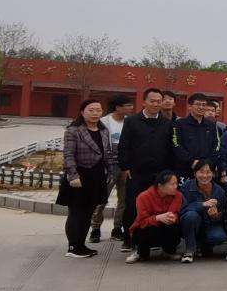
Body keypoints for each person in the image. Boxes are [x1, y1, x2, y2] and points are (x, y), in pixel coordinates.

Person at [59, 99, 117, 258]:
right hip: (79, 175)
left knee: (88, 212)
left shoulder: (103, 130)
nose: (95, 113)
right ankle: (73, 247)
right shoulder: (73, 130)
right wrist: (73, 175)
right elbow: (68, 155)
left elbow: (107, 154)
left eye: (98, 110)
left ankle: (81, 245)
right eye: (91, 110)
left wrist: (110, 172)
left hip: (96, 176)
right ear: (82, 112)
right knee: (76, 212)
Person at [118, 88, 173, 249]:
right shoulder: (132, 121)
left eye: (158, 101)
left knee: (157, 206)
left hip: (159, 173)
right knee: (132, 205)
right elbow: (124, 145)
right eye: (152, 101)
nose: (156, 104)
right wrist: (125, 166)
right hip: (136, 172)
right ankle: (129, 238)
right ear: (144, 102)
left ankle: (153, 239)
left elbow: (170, 148)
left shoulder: (166, 123)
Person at [90, 93, 134, 245]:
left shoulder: (131, 122)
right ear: (117, 107)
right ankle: (95, 228)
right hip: (108, 166)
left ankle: (117, 228)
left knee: (124, 199)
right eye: (128, 105)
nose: (131, 108)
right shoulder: (103, 122)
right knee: (101, 198)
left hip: (126, 166)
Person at [126, 170, 183, 263]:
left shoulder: (178, 195)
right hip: (146, 228)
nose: (176, 187)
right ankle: (141, 253)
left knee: (174, 226)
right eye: (172, 184)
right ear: (160, 186)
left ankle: (169, 251)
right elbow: (142, 221)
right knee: (143, 231)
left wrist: (174, 217)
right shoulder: (143, 197)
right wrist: (157, 218)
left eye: (176, 183)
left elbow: (173, 213)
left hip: (165, 226)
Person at [179, 160, 227, 262]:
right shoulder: (186, 187)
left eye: (208, 172)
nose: (204, 176)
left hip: (210, 224)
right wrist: (202, 204)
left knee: (219, 237)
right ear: (195, 173)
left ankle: (202, 244)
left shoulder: (220, 191)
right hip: (191, 224)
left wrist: (215, 216)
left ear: (213, 174)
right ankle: (190, 250)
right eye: (201, 172)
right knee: (191, 216)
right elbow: (182, 210)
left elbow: (224, 213)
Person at [172, 92, 220, 180]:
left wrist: (208, 163)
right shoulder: (179, 124)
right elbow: (176, 145)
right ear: (190, 106)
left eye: (204, 105)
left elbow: (216, 145)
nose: (201, 107)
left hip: (206, 170)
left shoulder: (212, 125)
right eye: (198, 104)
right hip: (185, 169)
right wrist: (192, 161)